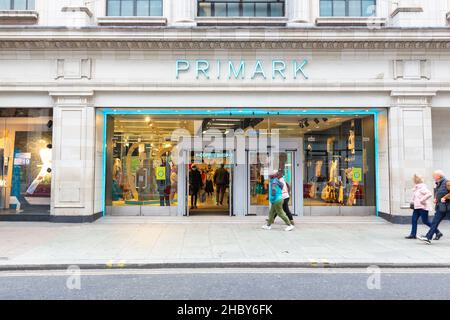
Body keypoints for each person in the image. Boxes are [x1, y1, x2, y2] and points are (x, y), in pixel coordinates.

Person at [418, 170, 447, 244]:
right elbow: (439, 192)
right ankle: (428, 237)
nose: (433, 177)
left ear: (439, 176)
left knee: (435, 222)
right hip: (441, 207)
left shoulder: (447, 182)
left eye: (434, 175)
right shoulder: (439, 183)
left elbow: (445, 193)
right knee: (435, 222)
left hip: (446, 206)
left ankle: (428, 237)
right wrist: (436, 199)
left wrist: (445, 197)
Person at [405, 174, 436, 239]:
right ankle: (413, 234)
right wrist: (412, 202)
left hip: (423, 207)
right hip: (417, 207)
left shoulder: (422, 187)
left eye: (414, 180)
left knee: (425, 221)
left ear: (416, 180)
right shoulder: (417, 188)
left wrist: (421, 200)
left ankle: (438, 232)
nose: (413, 181)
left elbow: (429, 194)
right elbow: (416, 197)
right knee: (414, 220)